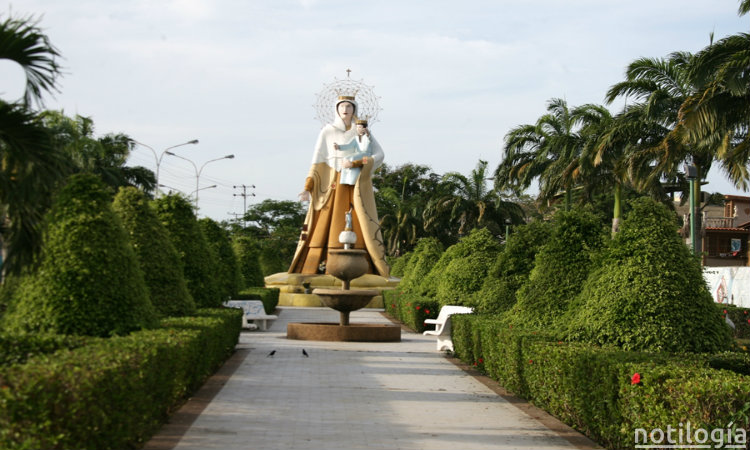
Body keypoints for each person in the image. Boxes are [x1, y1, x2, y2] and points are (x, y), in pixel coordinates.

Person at [289, 96, 389, 277]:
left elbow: (379, 154)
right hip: (333, 181)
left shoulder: (362, 132)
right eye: (342, 106)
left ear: (354, 109)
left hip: (356, 182)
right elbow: (317, 160)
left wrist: (358, 162)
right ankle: (317, 262)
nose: (345, 109)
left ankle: (366, 264)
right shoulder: (328, 131)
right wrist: (307, 186)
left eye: (349, 106)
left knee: (359, 219)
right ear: (336, 109)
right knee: (326, 219)